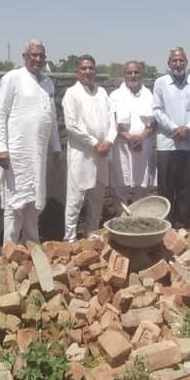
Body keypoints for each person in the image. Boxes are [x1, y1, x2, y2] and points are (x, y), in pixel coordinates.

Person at [0, 39, 60, 245]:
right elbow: (0, 114)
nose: (37, 59)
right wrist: (2, 149)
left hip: (39, 153)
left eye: (41, 56)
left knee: (34, 200)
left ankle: (31, 244)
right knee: (15, 203)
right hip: (17, 152)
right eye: (33, 55)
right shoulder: (12, 78)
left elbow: (52, 117)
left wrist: (56, 147)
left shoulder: (47, 83)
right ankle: (10, 248)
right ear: (24, 57)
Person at [62, 55, 115, 241]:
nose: (87, 72)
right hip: (82, 155)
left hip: (102, 155)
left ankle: (92, 236)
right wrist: (94, 143)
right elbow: (72, 125)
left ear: (95, 71)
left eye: (91, 68)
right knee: (75, 199)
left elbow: (113, 120)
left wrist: (109, 141)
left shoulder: (102, 93)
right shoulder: (72, 94)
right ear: (77, 72)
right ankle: (69, 239)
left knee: (97, 199)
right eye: (83, 68)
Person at [152, 47, 190, 229]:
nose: (178, 64)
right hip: (167, 144)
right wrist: (174, 128)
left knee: (187, 187)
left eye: (181, 60)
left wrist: (188, 128)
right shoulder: (160, 83)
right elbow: (157, 110)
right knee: (166, 187)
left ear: (186, 62)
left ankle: (183, 225)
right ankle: (166, 226)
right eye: (174, 61)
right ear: (169, 63)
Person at [108, 61, 156, 215]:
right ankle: (120, 219)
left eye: (136, 72)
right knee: (120, 184)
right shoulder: (115, 96)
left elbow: (153, 124)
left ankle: (139, 218)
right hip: (121, 147)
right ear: (124, 75)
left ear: (141, 74)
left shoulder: (149, 96)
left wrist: (140, 137)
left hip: (144, 146)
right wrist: (128, 137)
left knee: (142, 185)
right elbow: (112, 122)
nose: (133, 75)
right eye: (129, 73)